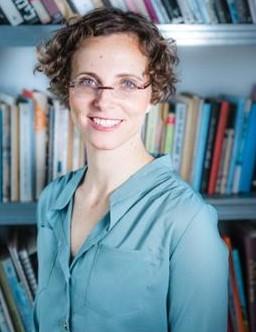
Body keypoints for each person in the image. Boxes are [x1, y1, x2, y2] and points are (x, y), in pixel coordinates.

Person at [33, 7, 228, 332]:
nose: (104, 101)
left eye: (127, 83)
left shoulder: (187, 221)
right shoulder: (51, 199)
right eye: (87, 81)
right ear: (67, 90)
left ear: (153, 94)